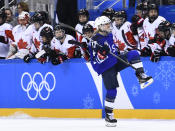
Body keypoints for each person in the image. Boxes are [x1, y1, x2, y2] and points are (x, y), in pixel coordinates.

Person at [87, 16, 153, 126]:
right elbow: (96, 60)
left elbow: (113, 49)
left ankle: (141, 76)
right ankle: (109, 115)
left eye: (109, 23)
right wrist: (102, 53)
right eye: (106, 24)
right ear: (100, 27)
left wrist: (116, 51)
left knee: (134, 54)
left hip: (115, 60)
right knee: (112, 91)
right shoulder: (95, 41)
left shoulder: (109, 34)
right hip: (105, 67)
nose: (109, 25)